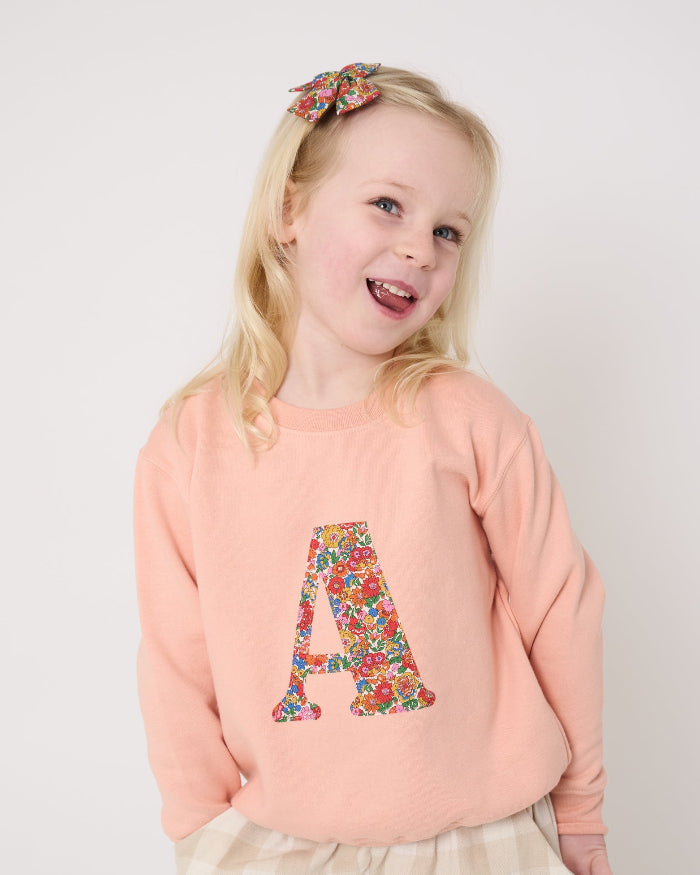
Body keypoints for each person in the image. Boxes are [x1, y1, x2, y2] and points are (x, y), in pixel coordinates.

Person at [133, 63, 613, 874]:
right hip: (283, 841)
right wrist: (198, 827)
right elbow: (175, 659)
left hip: (483, 834)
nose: (417, 248)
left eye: (448, 231)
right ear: (289, 208)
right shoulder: (192, 442)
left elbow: (560, 611)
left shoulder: (469, 418)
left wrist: (582, 811)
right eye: (388, 204)